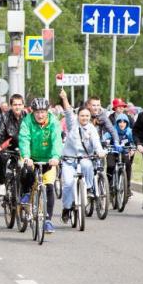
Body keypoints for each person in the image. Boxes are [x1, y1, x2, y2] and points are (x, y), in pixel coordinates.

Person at [58, 89, 106, 223]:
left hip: (84, 158)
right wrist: (65, 98)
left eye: (87, 116)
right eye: (82, 115)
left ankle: (90, 188)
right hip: (69, 160)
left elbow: (96, 144)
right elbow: (68, 111)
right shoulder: (72, 124)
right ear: (78, 116)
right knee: (67, 184)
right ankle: (66, 208)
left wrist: (100, 152)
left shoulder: (91, 129)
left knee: (87, 165)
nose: (84, 118)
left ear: (90, 117)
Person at [18, 97, 62, 235]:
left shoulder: (54, 122)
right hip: (31, 157)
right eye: (37, 112)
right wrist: (26, 156)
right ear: (33, 111)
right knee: (26, 171)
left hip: (49, 159)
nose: (40, 115)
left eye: (43, 111)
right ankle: (26, 193)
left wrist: (55, 157)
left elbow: (57, 140)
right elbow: (24, 139)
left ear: (47, 111)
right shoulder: (27, 121)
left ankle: (48, 220)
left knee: (49, 186)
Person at [0, 93, 26, 199]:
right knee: (2, 159)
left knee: (26, 168)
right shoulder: (5, 117)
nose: (17, 107)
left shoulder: (28, 117)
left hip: (22, 147)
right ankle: (2, 184)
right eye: (15, 104)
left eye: (19, 104)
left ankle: (24, 191)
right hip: (7, 146)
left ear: (23, 105)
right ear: (11, 106)